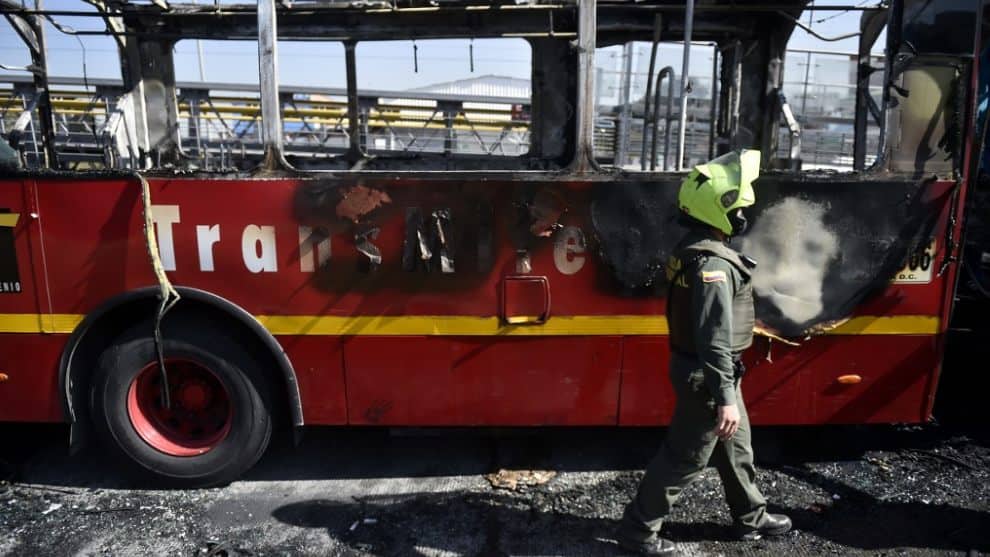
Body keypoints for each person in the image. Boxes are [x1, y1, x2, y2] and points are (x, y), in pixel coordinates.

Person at [616, 150, 791, 555]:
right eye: (740, 208)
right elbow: (713, 336)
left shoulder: (691, 248)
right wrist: (725, 397)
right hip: (708, 376)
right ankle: (638, 532)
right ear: (720, 210)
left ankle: (751, 516)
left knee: (737, 448)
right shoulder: (713, 266)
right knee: (686, 458)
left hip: (714, 372)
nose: (744, 215)